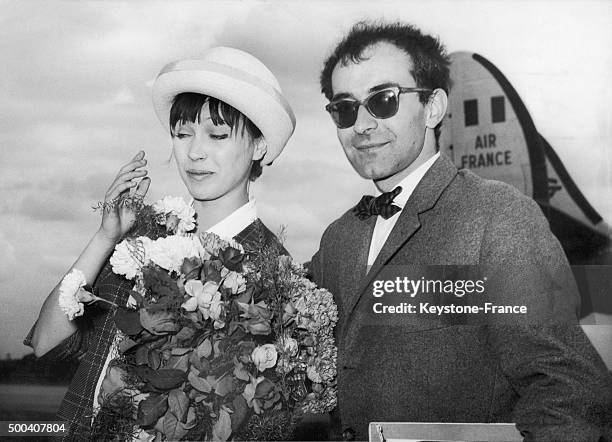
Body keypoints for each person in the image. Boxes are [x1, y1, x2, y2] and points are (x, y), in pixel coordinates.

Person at [310, 21, 612, 441]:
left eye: (383, 100)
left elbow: (570, 392)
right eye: (345, 107)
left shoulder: (497, 218)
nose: (361, 124)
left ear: (433, 107)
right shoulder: (337, 239)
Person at [24, 47, 295, 440]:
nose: (195, 152)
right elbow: (47, 342)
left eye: (217, 135)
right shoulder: (147, 235)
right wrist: (106, 237)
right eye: (182, 133)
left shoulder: (275, 271)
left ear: (259, 146)